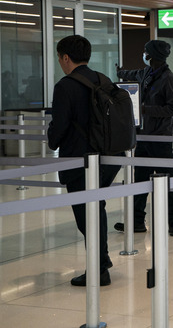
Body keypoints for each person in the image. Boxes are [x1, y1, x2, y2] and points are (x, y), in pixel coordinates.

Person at [48, 35, 121, 286]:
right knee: (96, 208)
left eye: (60, 58)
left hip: (81, 161)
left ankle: (99, 269)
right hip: (110, 157)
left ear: (66, 57)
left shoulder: (65, 86)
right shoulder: (103, 79)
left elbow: (59, 125)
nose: (60, 63)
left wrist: (52, 140)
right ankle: (101, 262)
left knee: (86, 214)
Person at [114, 40, 173, 236]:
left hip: (160, 138)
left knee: (168, 180)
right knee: (140, 180)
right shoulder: (145, 73)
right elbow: (131, 74)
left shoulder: (168, 78)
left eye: (145, 51)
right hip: (143, 137)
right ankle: (137, 221)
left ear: (152, 55)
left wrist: (146, 110)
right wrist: (120, 72)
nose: (143, 54)